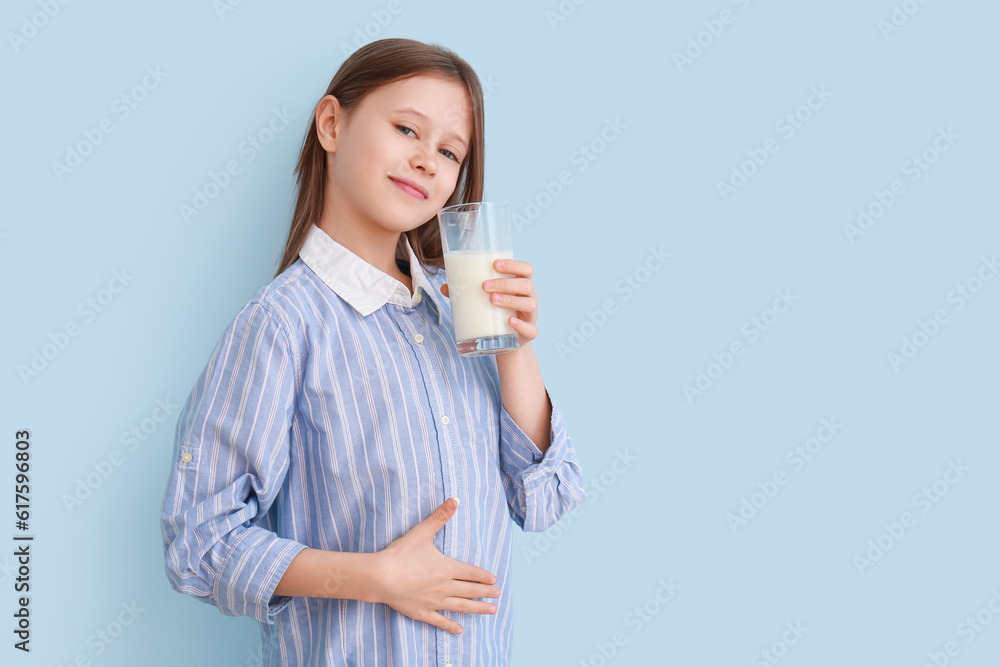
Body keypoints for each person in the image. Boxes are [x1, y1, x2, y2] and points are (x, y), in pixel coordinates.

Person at [159, 37, 585, 667]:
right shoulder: (283, 324)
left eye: (448, 151)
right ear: (332, 124)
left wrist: (516, 350)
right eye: (406, 129)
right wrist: (377, 576)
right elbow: (199, 542)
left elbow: (544, 501)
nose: (426, 162)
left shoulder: (458, 309)